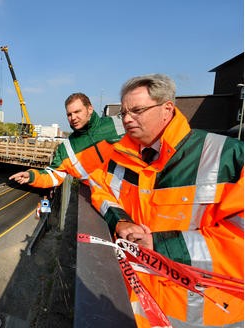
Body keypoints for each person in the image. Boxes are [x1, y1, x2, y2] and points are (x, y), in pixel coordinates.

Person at [89, 74, 244, 327]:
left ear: (167, 109)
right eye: (124, 113)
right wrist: (121, 221)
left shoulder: (228, 157)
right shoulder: (120, 156)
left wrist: (160, 245)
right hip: (134, 307)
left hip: (202, 314)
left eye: (137, 110)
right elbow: (98, 185)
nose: (127, 119)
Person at [9, 92, 125, 187]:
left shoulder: (118, 124)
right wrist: (32, 176)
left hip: (136, 194)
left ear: (90, 109)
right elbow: (54, 175)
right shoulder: (67, 148)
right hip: (103, 200)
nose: (73, 118)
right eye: (69, 114)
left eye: (77, 112)